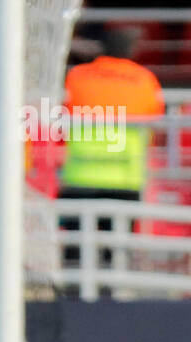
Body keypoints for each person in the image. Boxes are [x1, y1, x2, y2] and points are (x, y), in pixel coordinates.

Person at [57, 30, 164, 277]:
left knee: (76, 250)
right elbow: (154, 122)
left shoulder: (77, 76)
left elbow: (62, 116)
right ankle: (112, 300)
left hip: (80, 177)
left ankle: (74, 301)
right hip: (125, 178)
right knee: (116, 252)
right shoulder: (145, 80)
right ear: (131, 50)